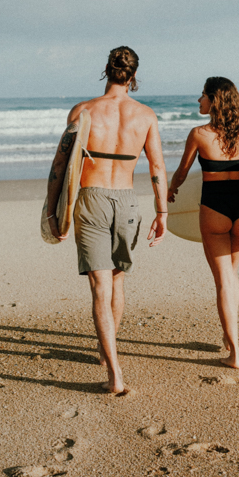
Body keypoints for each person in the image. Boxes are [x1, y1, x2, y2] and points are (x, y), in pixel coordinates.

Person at [46, 47, 168, 394]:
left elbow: (60, 165)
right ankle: (105, 353)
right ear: (133, 76)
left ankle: (114, 372)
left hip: (92, 198)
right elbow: (157, 167)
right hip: (128, 201)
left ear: (107, 71)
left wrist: (52, 210)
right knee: (117, 282)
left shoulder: (84, 111)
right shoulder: (145, 115)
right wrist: (162, 213)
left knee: (100, 287)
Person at [167, 76, 239, 369]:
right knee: (231, 276)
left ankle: (234, 350)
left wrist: (171, 190)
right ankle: (228, 336)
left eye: (202, 96)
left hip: (215, 209)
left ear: (214, 100)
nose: (198, 100)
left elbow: (182, 172)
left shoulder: (199, 134)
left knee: (224, 280)